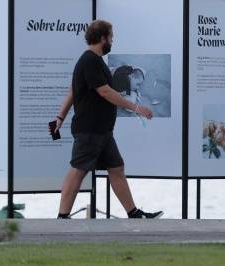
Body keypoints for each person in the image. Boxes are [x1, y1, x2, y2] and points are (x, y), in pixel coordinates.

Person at [52, 20, 163, 219]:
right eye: (111, 36)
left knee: (116, 168)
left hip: (102, 131)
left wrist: (60, 116)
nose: (113, 40)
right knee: (78, 170)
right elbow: (104, 92)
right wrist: (136, 107)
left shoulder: (95, 61)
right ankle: (62, 217)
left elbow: (72, 91)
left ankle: (134, 213)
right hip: (90, 129)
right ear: (103, 38)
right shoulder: (89, 61)